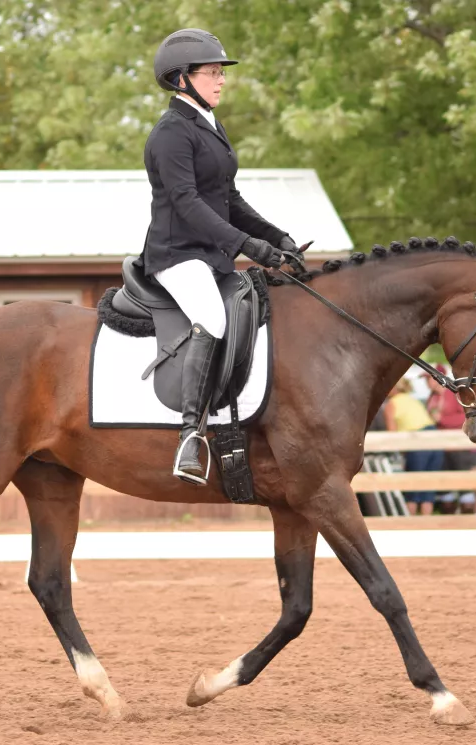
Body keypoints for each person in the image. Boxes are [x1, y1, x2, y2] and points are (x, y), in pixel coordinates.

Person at [140, 29, 303, 484]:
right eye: (211, 72)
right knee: (212, 318)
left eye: (219, 72)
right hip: (177, 254)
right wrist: (249, 247)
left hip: (212, 255)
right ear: (181, 79)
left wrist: (278, 238)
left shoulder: (210, 125)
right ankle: (191, 435)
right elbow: (188, 204)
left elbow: (228, 198)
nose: (220, 80)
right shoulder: (170, 134)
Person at [425, 363, 476, 514]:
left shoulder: (455, 394)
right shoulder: (431, 397)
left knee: (466, 486)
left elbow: (467, 416)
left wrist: (442, 420)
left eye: (429, 379)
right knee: (446, 491)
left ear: (438, 378)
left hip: (459, 447)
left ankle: (470, 517)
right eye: (425, 379)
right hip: (442, 448)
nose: (426, 383)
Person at [382, 378, 443, 515]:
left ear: (394, 388)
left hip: (417, 442)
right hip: (435, 438)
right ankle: (425, 524)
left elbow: (392, 437)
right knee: (429, 488)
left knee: (412, 488)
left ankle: (410, 525)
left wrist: (401, 456)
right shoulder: (413, 400)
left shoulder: (391, 405)